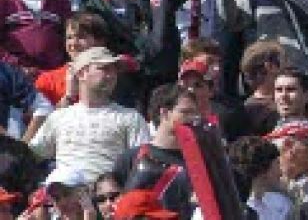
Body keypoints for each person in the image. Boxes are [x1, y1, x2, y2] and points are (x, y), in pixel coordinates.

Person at [29, 47, 150, 182]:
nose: (111, 75)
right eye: (104, 69)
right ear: (81, 74)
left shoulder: (131, 117)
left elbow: (143, 164)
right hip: (64, 194)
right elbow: (31, 156)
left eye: (114, 70)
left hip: (106, 196)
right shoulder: (59, 117)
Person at [112, 84, 198, 218]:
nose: (192, 118)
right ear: (164, 113)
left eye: (194, 112)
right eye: (185, 112)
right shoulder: (130, 158)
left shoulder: (199, 161)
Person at [34, 12, 110, 108]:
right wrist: (69, 97)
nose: (73, 43)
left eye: (81, 37)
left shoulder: (111, 77)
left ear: (100, 41)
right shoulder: (48, 80)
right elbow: (41, 121)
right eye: (69, 37)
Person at [227, 135, 292, 220]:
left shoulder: (281, 203)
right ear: (263, 171)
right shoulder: (242, 214)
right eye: (277, 164)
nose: (280, 172)